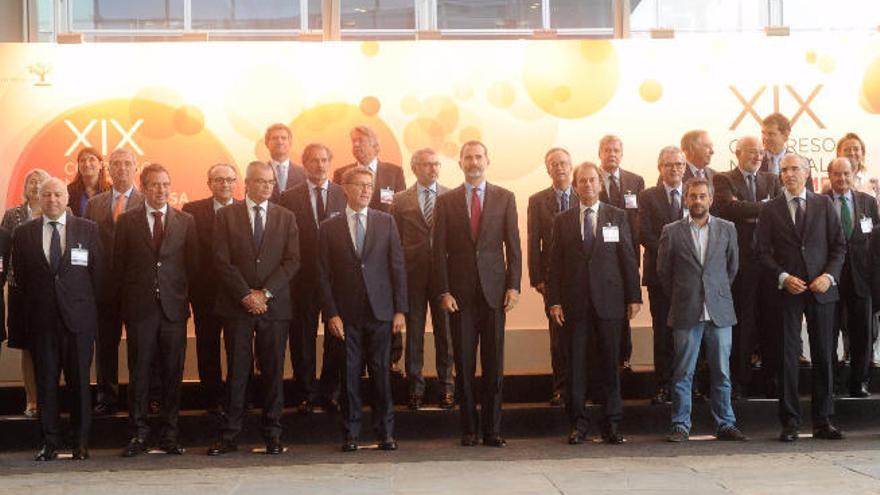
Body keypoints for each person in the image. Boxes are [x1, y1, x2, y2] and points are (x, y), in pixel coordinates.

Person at [207, 161, 300, 456]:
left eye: (271, 182)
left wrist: (266, 293)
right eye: (261, 182)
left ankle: (273, 434)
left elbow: (292, 261)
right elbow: (221, 260)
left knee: (273, 372)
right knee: (237, 372)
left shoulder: (286, 217)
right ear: (247, 183)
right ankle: (230, 435)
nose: (268, 187)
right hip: (238, 306)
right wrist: (246, 294)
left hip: (275, 308)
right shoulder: (226, 216)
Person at [433, 140, 521, 448]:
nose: (474, 162)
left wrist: (514, 286)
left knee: (494, 365)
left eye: (478, 156)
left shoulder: (505, 198)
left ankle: (492, 430)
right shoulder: (446, 202)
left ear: (488, 160)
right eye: (468, 157)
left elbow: (513, 246)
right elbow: (438, 251)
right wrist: (443, 290)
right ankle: (469, 430)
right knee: (465, 365)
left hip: (495, 294)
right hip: (459, 297)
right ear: (460, 163)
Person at [547, 161, 640, 445]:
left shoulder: (617, 216)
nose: (587, 185)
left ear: (600, 184)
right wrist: (554, 302)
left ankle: (611, 424)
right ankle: (578, 424)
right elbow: (554, 265)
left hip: (610, 304)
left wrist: (633, 296)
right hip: (574, 305)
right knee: (575, 366)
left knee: (610, 365)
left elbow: (628, 257)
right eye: (582, 181)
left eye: (592, 180)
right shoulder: (562, 220)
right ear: (575, 187)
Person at [757, 154, 846, 442]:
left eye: (795, 169)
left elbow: (839, 247)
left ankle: (823, 421)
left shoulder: (824, 204)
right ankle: (790, 422)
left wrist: (828, 276)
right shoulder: (770, 209)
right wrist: (782, 277)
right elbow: (761, 252)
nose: (789, 174)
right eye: (785, 170)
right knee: (787, 358)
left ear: (807, 173)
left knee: (823, 355)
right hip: (788, 292)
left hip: (821, 291)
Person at [318, 166, 407, 452]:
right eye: (360, 185)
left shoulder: (386, 222)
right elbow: (322, 274)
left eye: (370, 185)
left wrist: (400, 310)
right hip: (346, 315)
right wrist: (331, 313)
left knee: (382, 375)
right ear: (345, 187)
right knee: (349, 375)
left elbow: (397, 267)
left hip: (381, 312)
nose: (366, 190)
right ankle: (351, 433)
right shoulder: (328, 227)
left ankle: (386, 433)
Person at [13, 177, 102, 461]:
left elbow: (98, 275)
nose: (52, 200)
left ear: (67, 198)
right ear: (39, 198)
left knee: (79, 385)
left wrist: (88, 314)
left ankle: (80, 443)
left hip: (78, 322)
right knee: (46, 385)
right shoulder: (24, 232)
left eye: (58, 194)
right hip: (42, 323)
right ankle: (49, 443)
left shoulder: (87, 229)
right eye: (47, 194)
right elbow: (23, 279)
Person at [114, 164, 198, 457]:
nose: (161, 190)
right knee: (139, 373)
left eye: (166, 184)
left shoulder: (186, 221)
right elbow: (119, 267)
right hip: (140, 310)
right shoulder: (126, 221)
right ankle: (138, 434)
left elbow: (193, 267)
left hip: (174, 310)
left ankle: (169, 434)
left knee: (172, 373)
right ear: (144, 187)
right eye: (154, 185)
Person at [658, 176, 747, 442]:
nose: (697, 201)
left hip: (719, 311)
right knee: (683, 371)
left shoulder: (727, 228)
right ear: (686, 199)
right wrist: (685, 294)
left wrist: (714, 292)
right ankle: (680, 425)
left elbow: (732, 268)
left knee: (722, 371)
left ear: (710, 199)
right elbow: (663, 272)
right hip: (686, 310)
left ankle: (726, 423)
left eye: (702, 196)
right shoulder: (671, 231)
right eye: (692, 196)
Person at [332, 126, 407, 373]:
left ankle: (392, 361)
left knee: (385, 315)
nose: (356, 146)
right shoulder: (341, 173)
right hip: (353, 257)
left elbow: (401, 211)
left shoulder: (393, 172)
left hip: (384, 254)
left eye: (361, 142)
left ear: (376, 146)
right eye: (353, 142)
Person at [278, 144, 347, 413]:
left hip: (336, 279)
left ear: (330, 162)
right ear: (304, 164)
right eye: (314, 161)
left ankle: (330, 392)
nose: (319, 165)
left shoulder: (344, 194)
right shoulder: (287, 198)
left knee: (336, 337)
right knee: (302, 336)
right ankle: (306, 392)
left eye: (324, 160)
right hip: (302, 278)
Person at [713, 136, 781, 399]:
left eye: (761, 153)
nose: (758, 157)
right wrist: (761, 208)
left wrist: (753, 211)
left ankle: (769, 381)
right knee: (743, 323)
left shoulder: (772, 180)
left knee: (770, 322)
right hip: (740, 263)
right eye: (752, 152)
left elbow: (776, 210)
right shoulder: (724, 179)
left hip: (769, 262)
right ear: (738, 153)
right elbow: (728, 208)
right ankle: (740, 383)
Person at [390, 148, 454, 410]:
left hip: (443, 276)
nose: (433, 169)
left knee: (445, 334)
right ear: (415, 168)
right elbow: (394, 241)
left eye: (436, 164)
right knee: (414, 334)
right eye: (427, 164)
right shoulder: (400, 199)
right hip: (412, 275)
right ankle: (415, 389)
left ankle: (447, 387)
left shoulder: (451, 196)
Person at [85, 148, 144, 416]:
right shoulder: (95, 204)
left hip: (135, 288)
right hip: (103, 288)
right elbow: (85, 245)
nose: (121, 169)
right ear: (108, 169)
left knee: (140, 346)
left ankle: (141, 397)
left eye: (127, 164)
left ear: (136, 168)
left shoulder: (146, 202)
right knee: (105, 344)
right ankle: (106, 396)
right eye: (116, 164)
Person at [181, 163, 238, 412]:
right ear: (209, 184)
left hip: (239, 294)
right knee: (207, 346)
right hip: (205, 293)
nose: (224, 184)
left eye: (229, 180)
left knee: (239, 348)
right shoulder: (192, 211)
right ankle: (212, 399)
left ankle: (239, 398)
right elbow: (188, 253)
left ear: (236, 183)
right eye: (219, 180)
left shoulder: (246, 210)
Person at [527, 147, 578, 407]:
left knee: (583, 334)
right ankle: (560, 387)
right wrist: (537, 278)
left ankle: (583, 387)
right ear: (548, 169)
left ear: (572, 166)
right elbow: (533, 240)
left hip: (582, 278)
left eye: (564, 163)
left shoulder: (585, 194)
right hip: (552, 279)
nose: (560, 168)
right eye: (554, 164)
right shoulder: (538, 201)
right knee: (558, 337)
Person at [826, 157, 879, 397]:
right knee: (829, 333)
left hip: (862, 278)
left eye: (846, 174)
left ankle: (859, 382)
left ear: (853, 174)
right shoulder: (820, 202)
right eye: (837, 174)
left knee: (862, 334)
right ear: (830, 176)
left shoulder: (868, 202)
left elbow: (876, 240)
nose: (842, 179)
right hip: (831, 278)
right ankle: (832, 382)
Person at [638, 146, 687, 404]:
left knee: (689, 331)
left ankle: (689, 386)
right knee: (663, 332)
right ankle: (663, 385)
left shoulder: (695, 193)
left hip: (690, 278)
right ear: (660, 168)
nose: (675, 169)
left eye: (679, 164)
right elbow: (644, 233)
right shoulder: (648, 196)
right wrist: (672, 254)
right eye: (669, 165)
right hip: (660, 276)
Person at [3, 168, 50, 417]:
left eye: (40, 181)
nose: (36, 185)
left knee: (51, 347)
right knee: (27, 347)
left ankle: (48, 399)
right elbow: (4, 252)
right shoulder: (13, 215)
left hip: (50, 292)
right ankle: (32, 400)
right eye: (31, 181)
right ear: (25, 187)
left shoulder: (62, 212)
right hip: (20, 290)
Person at [597, 135, 643, 372]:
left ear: (622, 154)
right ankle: (605, 359)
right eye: (607, 150)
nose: (612, 154)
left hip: (627, 254)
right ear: (599, 153)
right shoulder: (591, 180)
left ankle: (625, 358)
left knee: (626, 305)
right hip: (601, 258)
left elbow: (639, 219)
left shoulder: (635, 181)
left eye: (616, 150)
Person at [265, 123, 306, 202]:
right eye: (275, 138)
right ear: (267, 143)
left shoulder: (304, 173)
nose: (279, 141)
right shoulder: (257, 173)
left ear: (290, 143)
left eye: (283, 138)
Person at [67, 147, 111, 217]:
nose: (87, 164)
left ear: (100, 165)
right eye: (83, 160)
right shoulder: (69, 191)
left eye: (92, 159)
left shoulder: (111, 191)